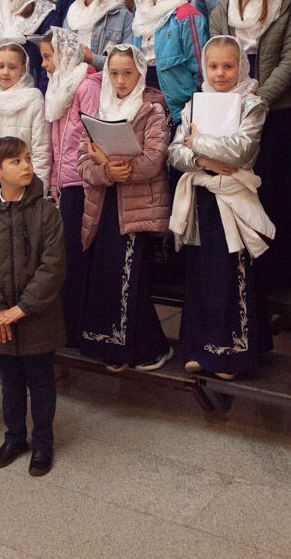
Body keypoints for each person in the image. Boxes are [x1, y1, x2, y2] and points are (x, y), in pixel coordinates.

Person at [168, 35, 272, 379]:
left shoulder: (252, 104)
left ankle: (230, 354)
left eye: (228, 66)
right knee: (202, 275)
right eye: (213, 66)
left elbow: (241, 151)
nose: (220, 73)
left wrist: (197, 142)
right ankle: (202, 349)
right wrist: (203, 160)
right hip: (202, 197)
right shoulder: (194, 105)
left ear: (241, 66)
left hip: (233, 197)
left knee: (230, 273)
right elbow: (175, 152)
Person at [0, 136, 66, 476]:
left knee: (41, 382)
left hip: (37, 317)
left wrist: (21, 309)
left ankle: (43, 442)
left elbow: (53, 267)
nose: (26, 166)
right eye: (16, 161)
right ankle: (14, 437)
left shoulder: (46, 212)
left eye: (27, 159)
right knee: (10, 382)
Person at [208, 0, 291, 292]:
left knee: (274, 193)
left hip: (275, 111)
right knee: (238, 190)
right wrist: (239, 100)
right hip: (232, 113)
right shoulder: (222, 10)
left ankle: (276, 278)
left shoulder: (284, 6)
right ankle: (240, 275)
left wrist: (259, 98)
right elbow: (215, 53)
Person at [76, 44, 173, 372]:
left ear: (140, 73)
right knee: (107, 275)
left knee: (130, 278)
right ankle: (111, 346)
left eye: (127, 73)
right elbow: (83, 162)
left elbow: (153, 160)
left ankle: (151, 348)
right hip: (103, 204)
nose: (120, 80)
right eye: (114, 73)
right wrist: (106, 171)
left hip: (136, 207)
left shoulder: (152, 110)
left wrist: (113, 164)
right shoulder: (100, 108)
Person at [39, 28, 100, 346]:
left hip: (81, 182)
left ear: (64, 54)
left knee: (75, 259)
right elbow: (55, 140)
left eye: (48, 56)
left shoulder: (86, 84)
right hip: (63, 183)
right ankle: (67, 325)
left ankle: (78, 328)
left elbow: (90, 135)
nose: (44, 64)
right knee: (63, 257)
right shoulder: (56, 85)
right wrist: (53, 182)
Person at [132, 0, 208, 123]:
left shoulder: (186, 15)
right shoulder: (141, 16)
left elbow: (199, 69)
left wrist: (193, 110)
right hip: (143, 101)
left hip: (178, 105)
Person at [0, 43, 51, 193]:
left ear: (23, 68)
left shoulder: (33, 100)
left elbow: (41, 151)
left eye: (12, 67)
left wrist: (38, 191)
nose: (5, 72)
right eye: (0, 66)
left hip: (25, 187)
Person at [64, 0, 133, 70]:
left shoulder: (122, 16)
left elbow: (128, 61)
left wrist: (93, 58)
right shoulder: (72, 12)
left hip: (105, 79)